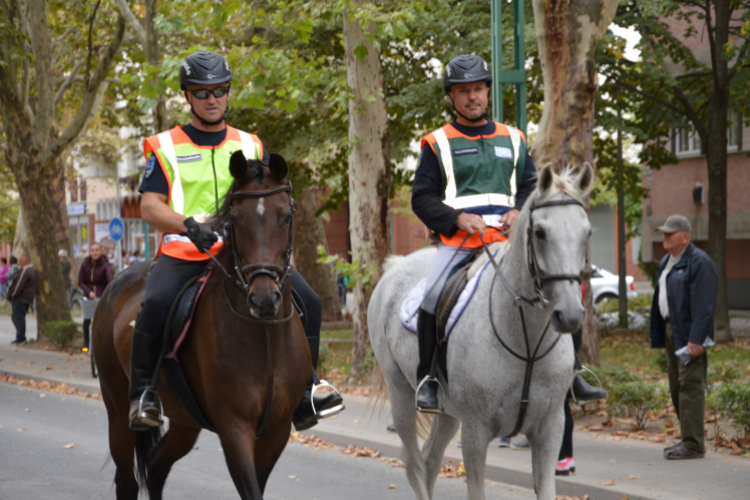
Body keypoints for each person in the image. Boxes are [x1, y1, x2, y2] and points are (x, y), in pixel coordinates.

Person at [130, 50, 342, 432]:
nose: (212, 99)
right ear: (188, 96)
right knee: (156, 302)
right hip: (186, 250)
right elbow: (148, 207)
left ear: (228, 93)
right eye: (202, 92)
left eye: (220, 91)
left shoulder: (251, 143)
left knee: (308, 299)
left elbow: (267, 202)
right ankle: (144, 393)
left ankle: (308, 386)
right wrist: (188, 224)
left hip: (244, 254)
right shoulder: (164, 145)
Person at [650, 215, 717, 460]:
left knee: (690, 385)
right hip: (672, 331)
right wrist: (661, 335)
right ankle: (688, 438)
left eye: (671, 233)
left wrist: (696, 338)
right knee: (676, 386)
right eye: (663, 232)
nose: (665, 236)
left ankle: (694, 444)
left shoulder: (700, 262)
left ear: (685, 237)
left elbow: (705, 305)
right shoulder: (667, 261)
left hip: (690, 334)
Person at [78, 242, 114, 352]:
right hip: (88, 297)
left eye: (97, 250)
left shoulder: (105, 265)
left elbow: (110, 280)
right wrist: (89, 292)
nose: (95, 252)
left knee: (103, 320)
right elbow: (80, 281)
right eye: (93, 250)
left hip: (101, 297)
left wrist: (104, 294)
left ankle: (105, 343)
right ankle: (86, 343)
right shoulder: (85, 264)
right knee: (87, 318)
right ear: (90, 252)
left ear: (101, 251)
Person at [7, 254, 39, 345]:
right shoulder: (34, 270)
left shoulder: (26, 270)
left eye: (21, 260)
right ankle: (20, 335)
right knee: (15, 317)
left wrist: (13, 295)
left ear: (27, 261)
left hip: (20, 297)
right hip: (27, 298)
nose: (19, 262)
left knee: (19, 318)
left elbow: (19, 285)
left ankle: (21, 337)